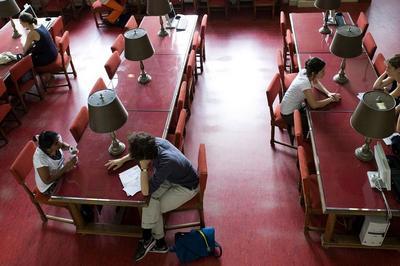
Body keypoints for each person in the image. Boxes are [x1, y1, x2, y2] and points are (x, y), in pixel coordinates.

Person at [105, 132, 199, 261]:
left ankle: (154, 241)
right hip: (173, 177)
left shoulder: (167, 162)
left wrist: (144, 169)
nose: (137, 159)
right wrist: (122, 160)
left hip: (187, 187)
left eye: (140, 159)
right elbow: (138, 151)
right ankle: (154, 241)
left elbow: (145, 191)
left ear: (146, 158)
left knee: (154, 207)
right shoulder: (154, 143)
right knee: (151, 204)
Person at [280, 57, 341, 137]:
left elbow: (316, 83)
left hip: (292, 107)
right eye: (322, 71)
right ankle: (304, 136)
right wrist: (331, 99)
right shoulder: (305, 83)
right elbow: (314, 105)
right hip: (288, 114)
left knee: (315, 116)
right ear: (313, 73)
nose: (324, 73)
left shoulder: (306, 72)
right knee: (316, 125)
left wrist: (328, 93)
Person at [33, 131, 78, 195]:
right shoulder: (40, 159)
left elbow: (62, 145)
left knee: (77, 177)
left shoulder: (53, 144)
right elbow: (47, 180)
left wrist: (70, 148)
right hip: (49, 186)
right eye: (57, 144)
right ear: (49, 149)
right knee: (73, 192)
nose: (60, 144)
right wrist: (65, 168)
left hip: (60, 172)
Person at [373, 54, 400, 131]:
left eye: (389, 67)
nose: (386, 69)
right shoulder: (394, 75)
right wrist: (386, 72)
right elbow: (376, 86)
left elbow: (386, 100)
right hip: (394, 106)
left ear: (398, 69)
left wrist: (379, 100)